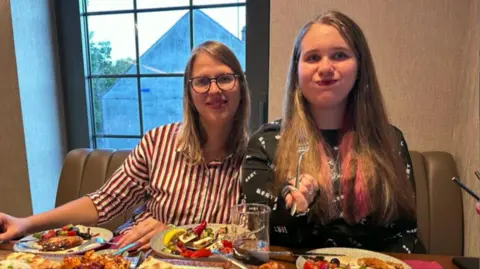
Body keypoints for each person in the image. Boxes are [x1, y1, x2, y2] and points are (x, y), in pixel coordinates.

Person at [0, 40, 250, 250]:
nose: (214, 90)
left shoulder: (256, 158)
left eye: (225, 78)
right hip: (134, 257)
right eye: (202, 81)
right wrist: (26, 223)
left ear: (241, 86)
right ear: (189, 92)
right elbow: (105, 201)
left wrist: (173, 235)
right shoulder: (158, 142)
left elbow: (252, 239)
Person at [241, 10, 425, 253]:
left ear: (360, 66)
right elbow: (260, 237)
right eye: (313, 57)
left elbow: (404, 233)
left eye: (339, 55)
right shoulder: (264, 143)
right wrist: (294, 207)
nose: (325, 67)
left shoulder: (390, 140)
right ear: (297, 71)